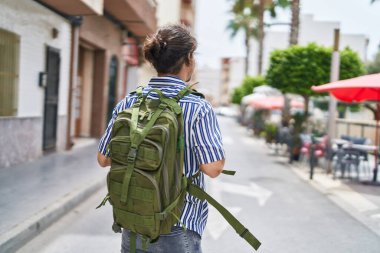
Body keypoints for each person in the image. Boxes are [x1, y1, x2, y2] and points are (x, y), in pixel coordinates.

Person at [97, 24, 225, 253]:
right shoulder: (198, 107)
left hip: (133, 219)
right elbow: (213, 168)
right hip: (177, 224)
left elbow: (103, 158)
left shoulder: (129, 102)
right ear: (189, 59)